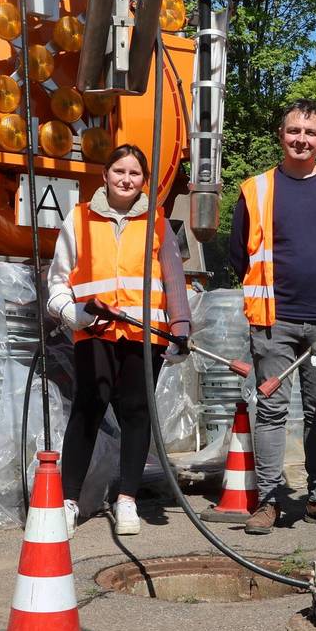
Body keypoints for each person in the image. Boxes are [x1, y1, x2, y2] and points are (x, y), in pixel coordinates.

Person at [229, 99, 316, 534]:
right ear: (281, 135)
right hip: (273, 319)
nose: (301, 139)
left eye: (310, 133)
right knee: (270, 410)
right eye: (293, 131)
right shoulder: (256, 189)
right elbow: (237, 254)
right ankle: (268, 501)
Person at [47, 144, 191, 538]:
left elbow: (174, 278)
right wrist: (73, 313)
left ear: (144, 181)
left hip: (145, 335)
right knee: (87, 410)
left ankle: (126, 499)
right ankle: (68, 501)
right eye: (119, 171)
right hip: (94, 331)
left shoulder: (157, 222)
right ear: (105, 175)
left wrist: (180, 327)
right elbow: (57, 281)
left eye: (135, 174)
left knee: (137, 412)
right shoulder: (78, 219)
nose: (126, 180)